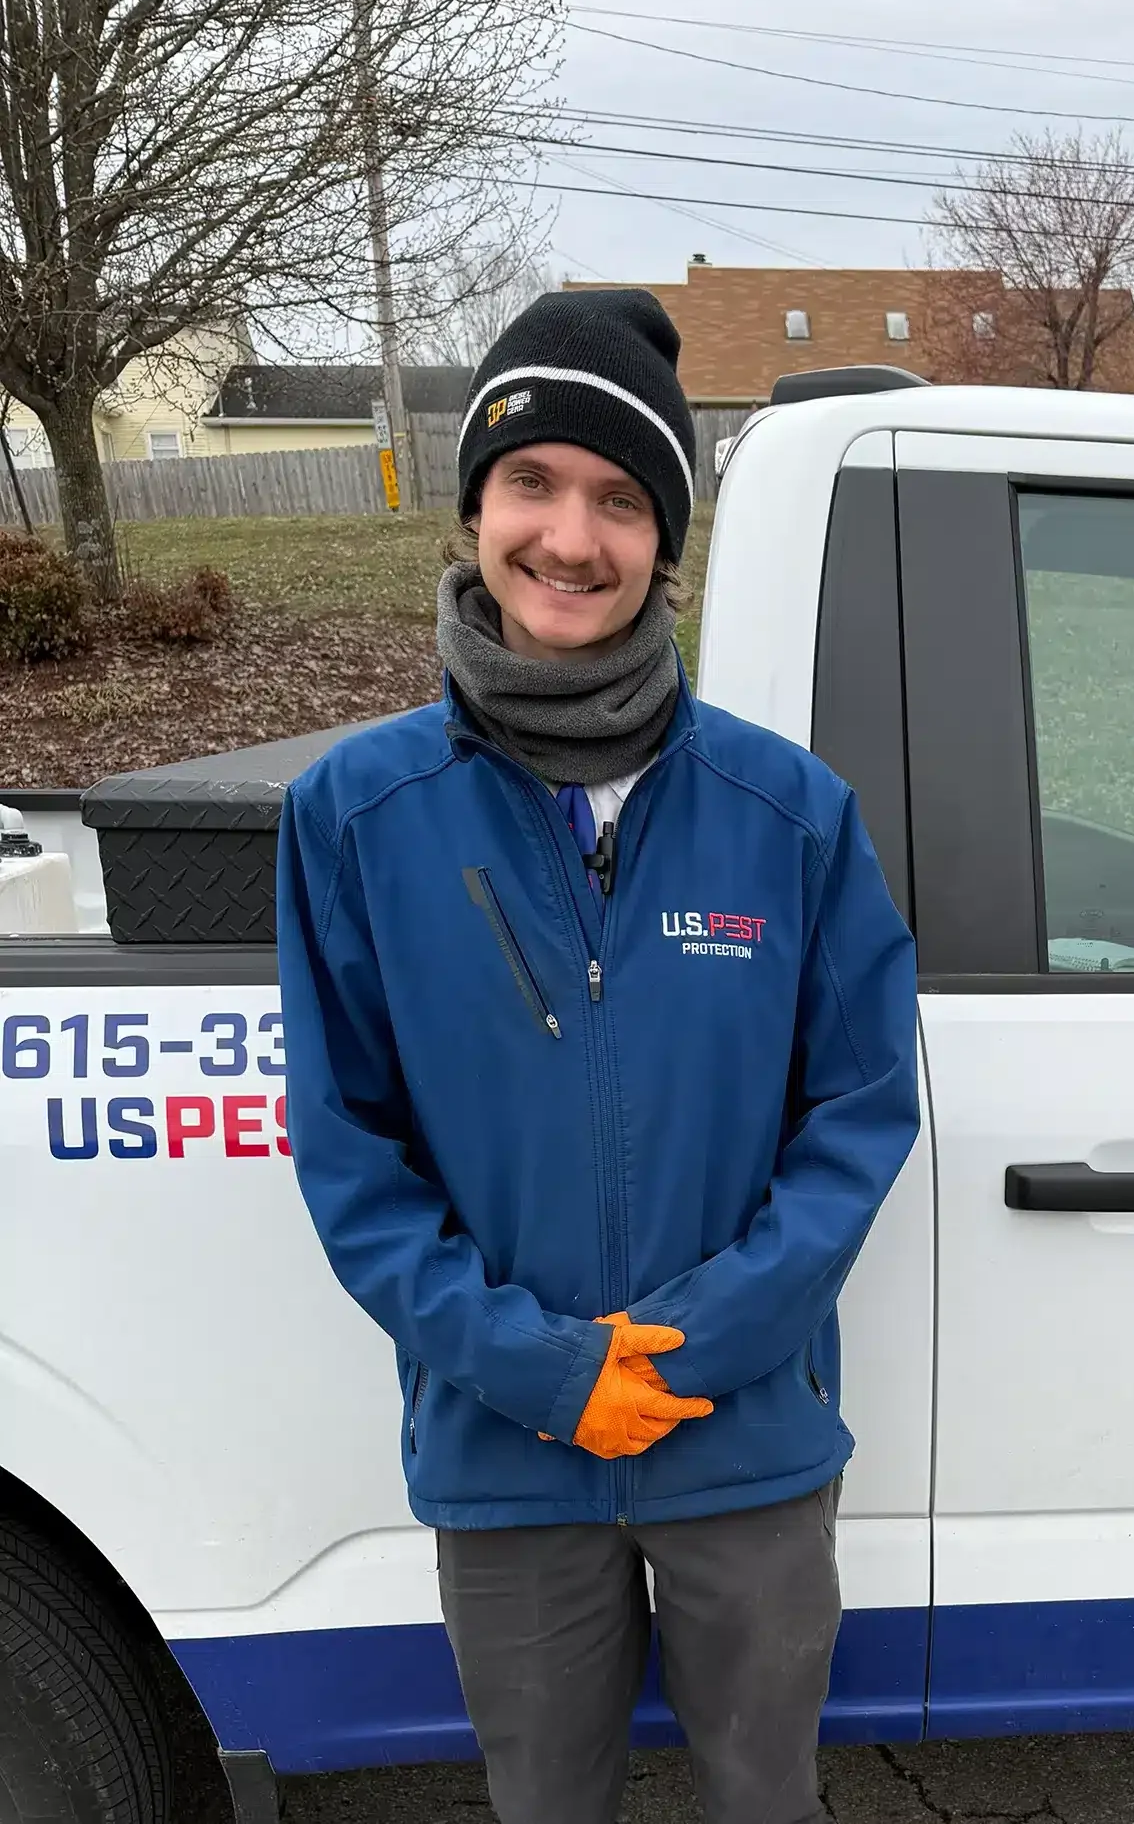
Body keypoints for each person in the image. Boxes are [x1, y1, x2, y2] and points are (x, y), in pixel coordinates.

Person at [275, 288, 920, 1824]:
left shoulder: (789, 816)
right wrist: (554, 1373)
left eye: (621, 500)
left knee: (769, 1795)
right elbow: (350, 1154)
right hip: (508, 1450)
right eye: (535, 485)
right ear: (475, 507)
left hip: (742, 1450)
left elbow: (860, 1115)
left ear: (665, 543)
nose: (573, 538)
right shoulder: (357, 817)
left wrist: (680, 1358)